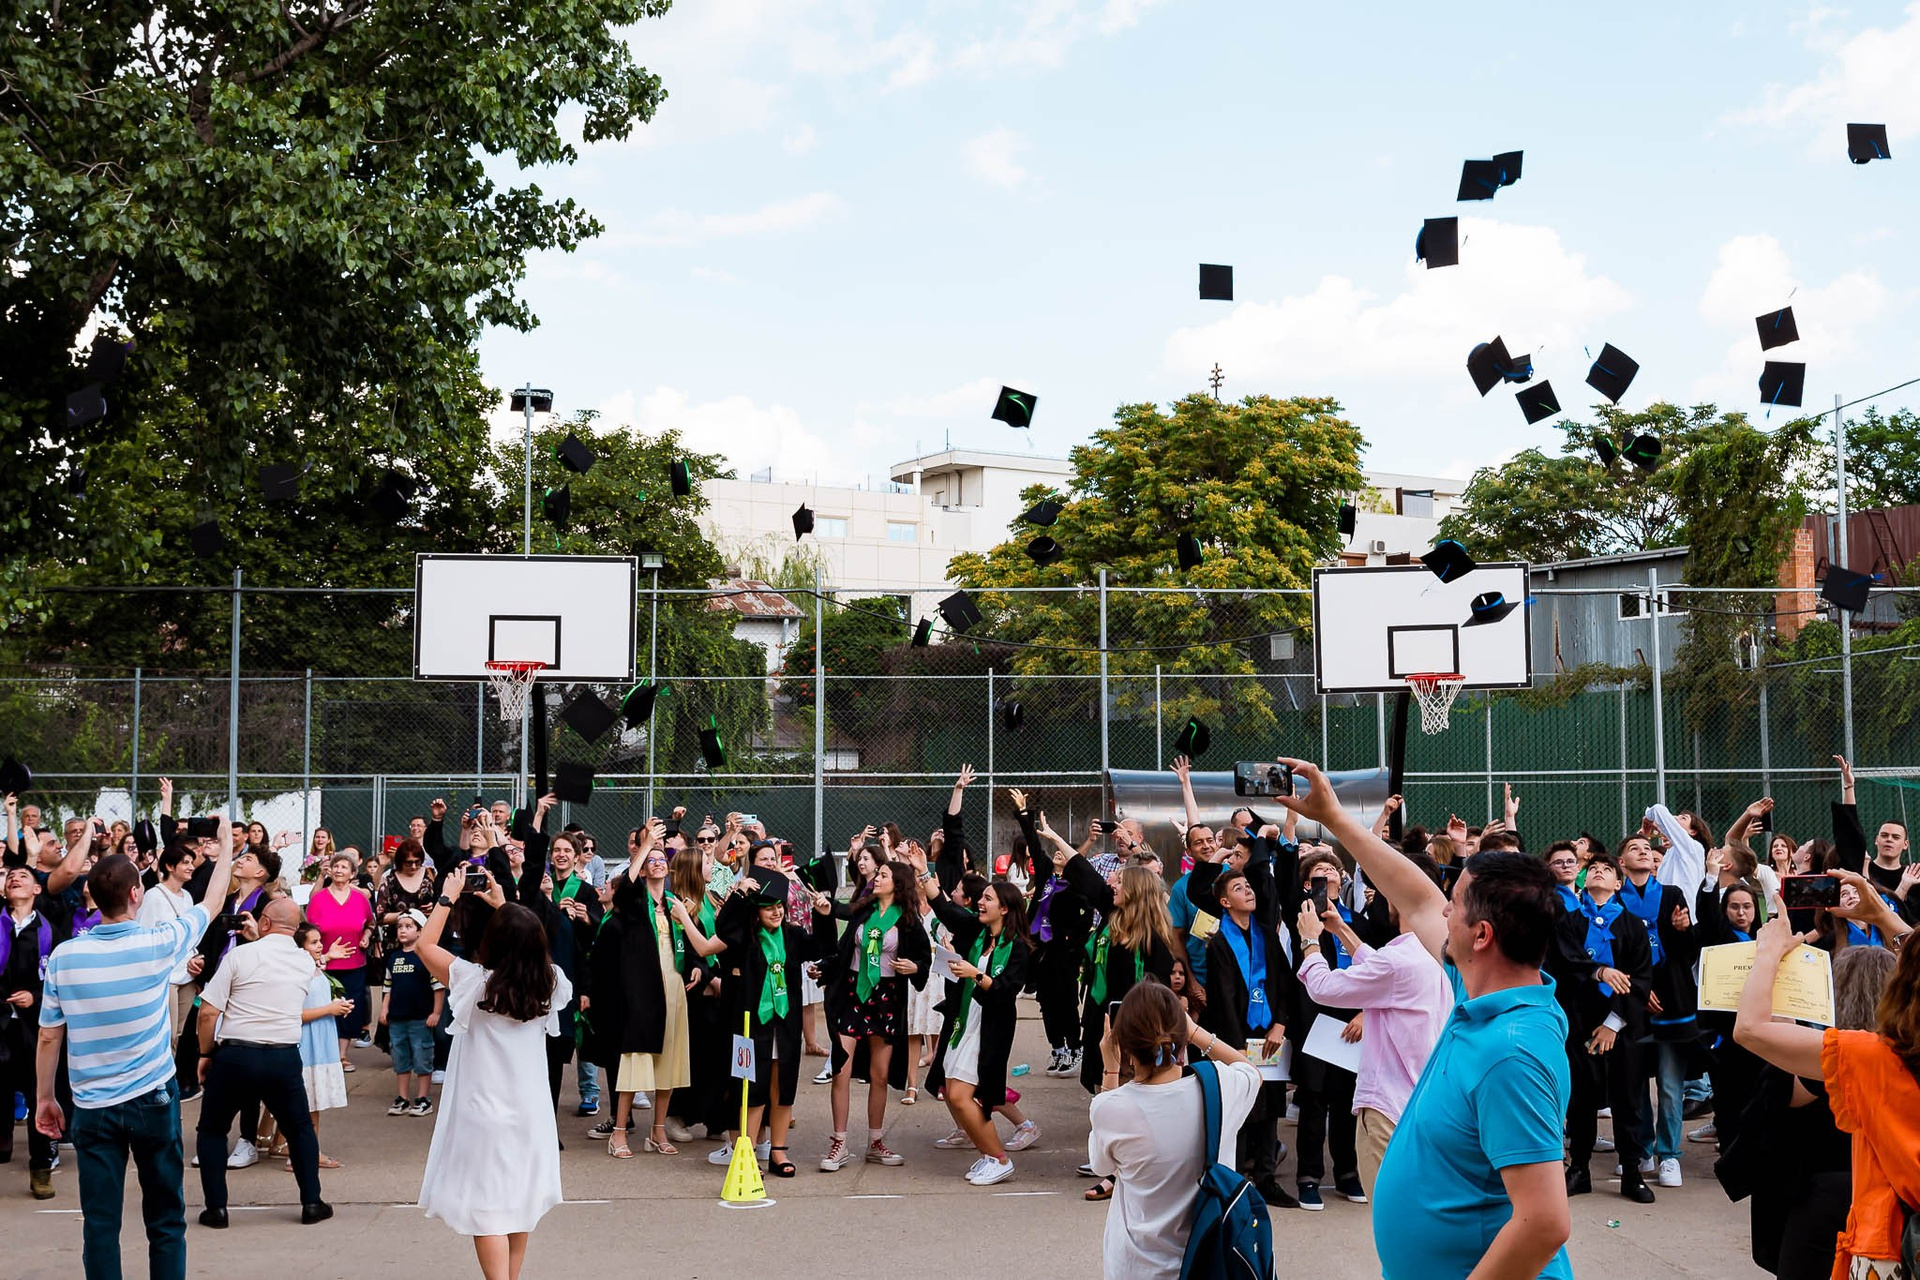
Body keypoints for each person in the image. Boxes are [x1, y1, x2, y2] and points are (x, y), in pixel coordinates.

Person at [1274, 757, 1573, 1280]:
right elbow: (1415, 898)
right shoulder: (1479, 991)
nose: (1442, 912)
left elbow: (1544, 1223)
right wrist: (1336, 819)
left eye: (1454, 905)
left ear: (1481, 936)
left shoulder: (1512, 1052)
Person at [35, 834, 235, 1277]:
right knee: (165, 1219)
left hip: (92, 1103)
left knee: (100, 1223)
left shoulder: (66, 957)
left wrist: (45, 1097)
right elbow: (213, 901)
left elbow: (49, 1036)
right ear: (135, 894)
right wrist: (225, 846)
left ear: (92, 894)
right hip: (151, 1097)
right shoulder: (156, 942)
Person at [1732, 886, 1918, 1280]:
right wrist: (1885, 918)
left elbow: (1750, 1029)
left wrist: (1770, 953)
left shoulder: (1870, 1057)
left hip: (1882, 1234)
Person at [416, 869, 572, 1280]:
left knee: (488, 1211)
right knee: (519, 1204)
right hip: (532, 1113)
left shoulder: (475, 982)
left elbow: (424, 945)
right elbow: (526, 942)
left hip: (484, 1112)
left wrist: (447, 897)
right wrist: (505, 905)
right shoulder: (550, 982)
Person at [1293, 847, 1453, 1198]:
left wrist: (1309, 939)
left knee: (1392, 1213)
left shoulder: (1398, 960)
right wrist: (1341, 930)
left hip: (1389, 1107)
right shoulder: (1438, 951)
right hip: (1424, 1099)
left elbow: (1323, 988)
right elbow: (1379, 966)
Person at [1088, 979, 1260, 1280]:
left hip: (1137, 1267)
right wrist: (1194, 1033)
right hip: (1209, 1261)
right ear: (1179, 1036)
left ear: (1125, 1046)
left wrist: (1110, 1071)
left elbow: (1101, 1166)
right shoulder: (1218, 1087)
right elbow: (1249, 1070)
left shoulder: (1111, 1108)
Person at [193, 895, 331, 1227]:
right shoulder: (304, 962)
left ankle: (217, 1208)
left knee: (212, 1129)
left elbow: (208, 1012)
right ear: (297, 929)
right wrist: (263, 935)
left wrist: (206, 1053)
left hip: (237, 1054)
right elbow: (275, 955)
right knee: (299, 1129)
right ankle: (311, 1202)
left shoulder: (239, 956)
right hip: (283, 1055)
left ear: (264, 922)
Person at [817, 853, 930, 1171]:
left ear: (898, 884)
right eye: (877, 874)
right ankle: (839, 1143)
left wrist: (915, 967)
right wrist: (824, 968)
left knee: (879, 1075)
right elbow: (843, 949)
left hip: (887, 997)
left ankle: (875, 1142)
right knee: (841, 1069)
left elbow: (924, 956)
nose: (876, 879)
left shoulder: (907, 921)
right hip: (853, 993)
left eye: (883, 875)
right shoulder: (862, 911)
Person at [1554, 848, 1656, 1202]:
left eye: (1607, 869)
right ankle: (1579, 1168)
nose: (1598, 871)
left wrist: (1613, 1023)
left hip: (1620, 1027)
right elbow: (1564, 963)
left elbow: (1641, 978)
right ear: (1585, 881)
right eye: (1593, 868)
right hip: (1580, 1023)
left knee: (1627, 1099)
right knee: (1580, 1099)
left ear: (1618, 883)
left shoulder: (1632, 926)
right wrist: (1598, 971)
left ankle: (1632, 1172)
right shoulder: (1569, 923)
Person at [1200, 865, 1296, 1209]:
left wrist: (1280, 1024)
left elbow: (1284, 982)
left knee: (1270, 1108)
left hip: (1269, 1035)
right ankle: (1237, 1180)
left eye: (1248, 886)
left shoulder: (1267, 935)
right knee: (1240, 1108)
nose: (1249, 891)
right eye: (1239, 889)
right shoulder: (1219, 941)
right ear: (1225, 902)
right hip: (1236, 1037)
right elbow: (1222, 998)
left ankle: (1266, 1179)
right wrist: (1234, 1045)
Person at [926, 874, 1031, 1185]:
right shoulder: (979, 935)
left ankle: (1000, 1159)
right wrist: (922, 873)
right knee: (951, 1090)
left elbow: (1005, 991)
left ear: (1005, 909)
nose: (980, 903)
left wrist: (974, 974)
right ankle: (988, 1155)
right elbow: (945, 909)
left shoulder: (1019, 948)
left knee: (961, 1095)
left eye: (988, 899)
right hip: (964, 1019)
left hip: (989, 1027)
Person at [3, 863, 67, 1198]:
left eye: (23, 876)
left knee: (38, 1094)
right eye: (10, 876)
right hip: (1, 1024)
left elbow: (62, 980)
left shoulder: (49, 932)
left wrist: (35, 996)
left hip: (34, 1029)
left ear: (37, 890)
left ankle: (41, 1169)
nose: (15, 879)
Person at [291, 923, 354, 1169]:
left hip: (322, 1041)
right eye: (313, 942)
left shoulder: (316, 969)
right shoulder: (298, 973)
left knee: (312, 1102)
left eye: (320, 941)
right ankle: (306, 1154)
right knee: (309, 1104)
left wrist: (338, 1006)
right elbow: (294, 1014)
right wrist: (329, 1009)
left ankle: (286, 1146)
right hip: (308, 1045)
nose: (320, 946)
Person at [305, 852, 374, 1071]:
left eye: (344, 867)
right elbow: (307, 931)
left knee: (349, 1008)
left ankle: (342, 1055)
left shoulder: (360, 899)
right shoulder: (319, 899)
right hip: (324, 965)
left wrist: (366, 936)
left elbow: (371, 924)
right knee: (323, 1007)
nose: (339, 870)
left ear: (353, 874)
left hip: (354, 964)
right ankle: (325, 1053)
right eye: (336, 866)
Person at [381, 909, 444, 1116]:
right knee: (400, 1058)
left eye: (409, 926)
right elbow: (388, 987)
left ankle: (423, 1098)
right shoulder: (394, 958)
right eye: (400, 926)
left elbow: (438, 987)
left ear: (420, 931)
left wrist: (436, 1013)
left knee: (422, 1056)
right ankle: (402, 1098)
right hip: (397, 1018)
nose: (402, 930)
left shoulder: (426, 958)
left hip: (420, 1019)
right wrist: (385, 1008)